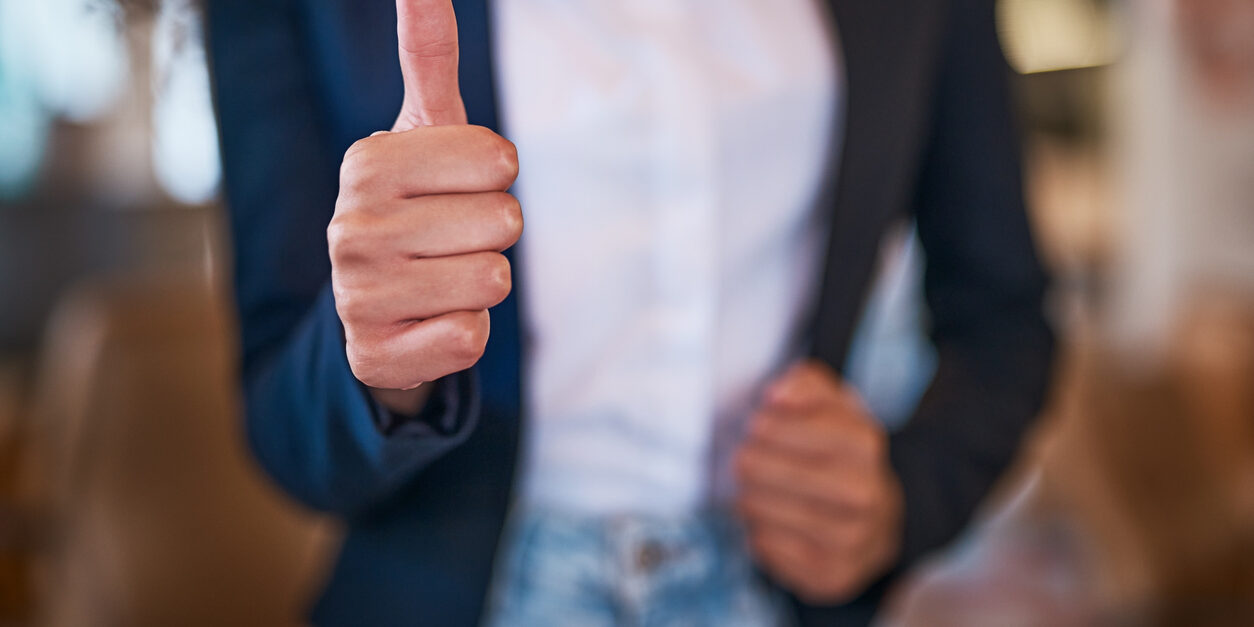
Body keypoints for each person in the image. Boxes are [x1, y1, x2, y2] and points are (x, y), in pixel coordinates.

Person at [206, 0, 1054, 624]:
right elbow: (282, 418)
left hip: (774, 584)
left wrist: (901, 498)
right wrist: (384, 356)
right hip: (461, 585)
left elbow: (1004, 315)